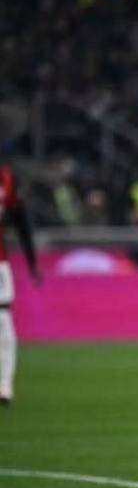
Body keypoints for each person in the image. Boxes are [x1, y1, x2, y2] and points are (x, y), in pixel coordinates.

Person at [0, 162, 42, 406]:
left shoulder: (6, 179)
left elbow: (20, 219)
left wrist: (32, 260)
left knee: (3, 318)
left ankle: (4, 385)